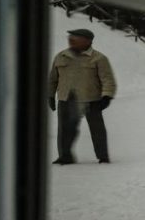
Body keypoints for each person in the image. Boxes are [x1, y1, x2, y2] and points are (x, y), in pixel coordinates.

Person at [48, 28, 117, 164]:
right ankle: (65, 156)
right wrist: (50, 95)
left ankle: (103, 156)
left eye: (75, 37)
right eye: (70, 37)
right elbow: (52, 79)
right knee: (65, 129)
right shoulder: (61, 56)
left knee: (97, 129)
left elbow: (108, 80)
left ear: (87, 41)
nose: (71, 40)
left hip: (91, 99)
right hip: (66, 98)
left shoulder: (99, 58)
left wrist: (106, 97)